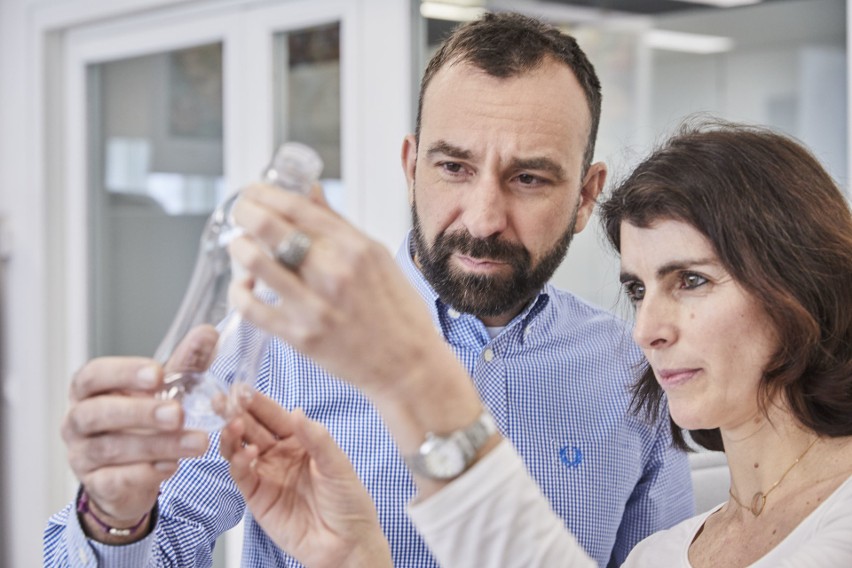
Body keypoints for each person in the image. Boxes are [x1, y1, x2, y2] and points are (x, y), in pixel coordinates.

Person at [44, 12, 694, 567]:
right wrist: (115, 517)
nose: (483, 218)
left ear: (586, 195)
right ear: (412, 167)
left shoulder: (632, 372)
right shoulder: (286, 335)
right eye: (453, 167)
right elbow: (160, 541)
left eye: (529, 178)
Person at [221, 120, 852, 567]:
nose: (647, 330)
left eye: (690, 280)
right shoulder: (663, 556)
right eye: (636, 290)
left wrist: (416, 377)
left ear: (801, 281)